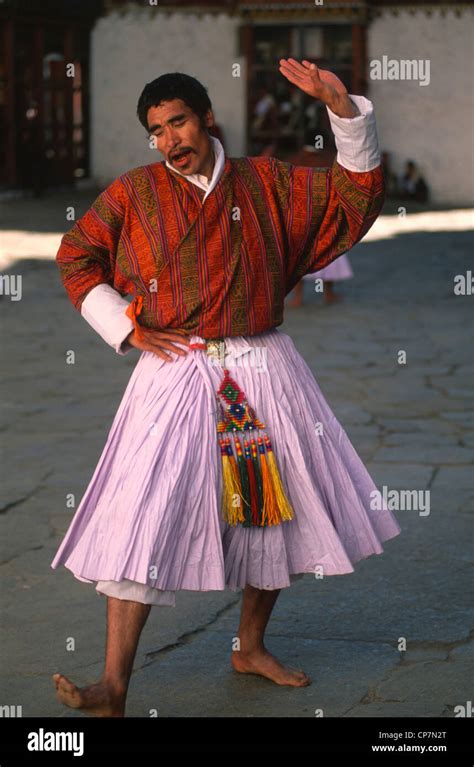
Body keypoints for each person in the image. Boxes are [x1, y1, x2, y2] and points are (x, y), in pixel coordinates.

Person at [51, 62, 401, 717]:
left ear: (207, 117)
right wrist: (125, 327)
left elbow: (355, 196)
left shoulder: (266, 183)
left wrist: (343, 111)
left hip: (260, 363)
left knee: (270, 509)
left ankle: (249, 646)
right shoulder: (134, 194)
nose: (169, 139)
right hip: (174, 369)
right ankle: (113, 685)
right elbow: (77, 255)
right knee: (141, 515)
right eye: (155, 131)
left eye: (178, 122)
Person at [285, 126, 353, 308]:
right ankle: (328, 294)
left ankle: (297, 297)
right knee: (329, 253)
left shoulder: (294, 159)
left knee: (298, 257)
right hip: (325, 214)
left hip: (299, 216)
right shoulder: (329, 159)